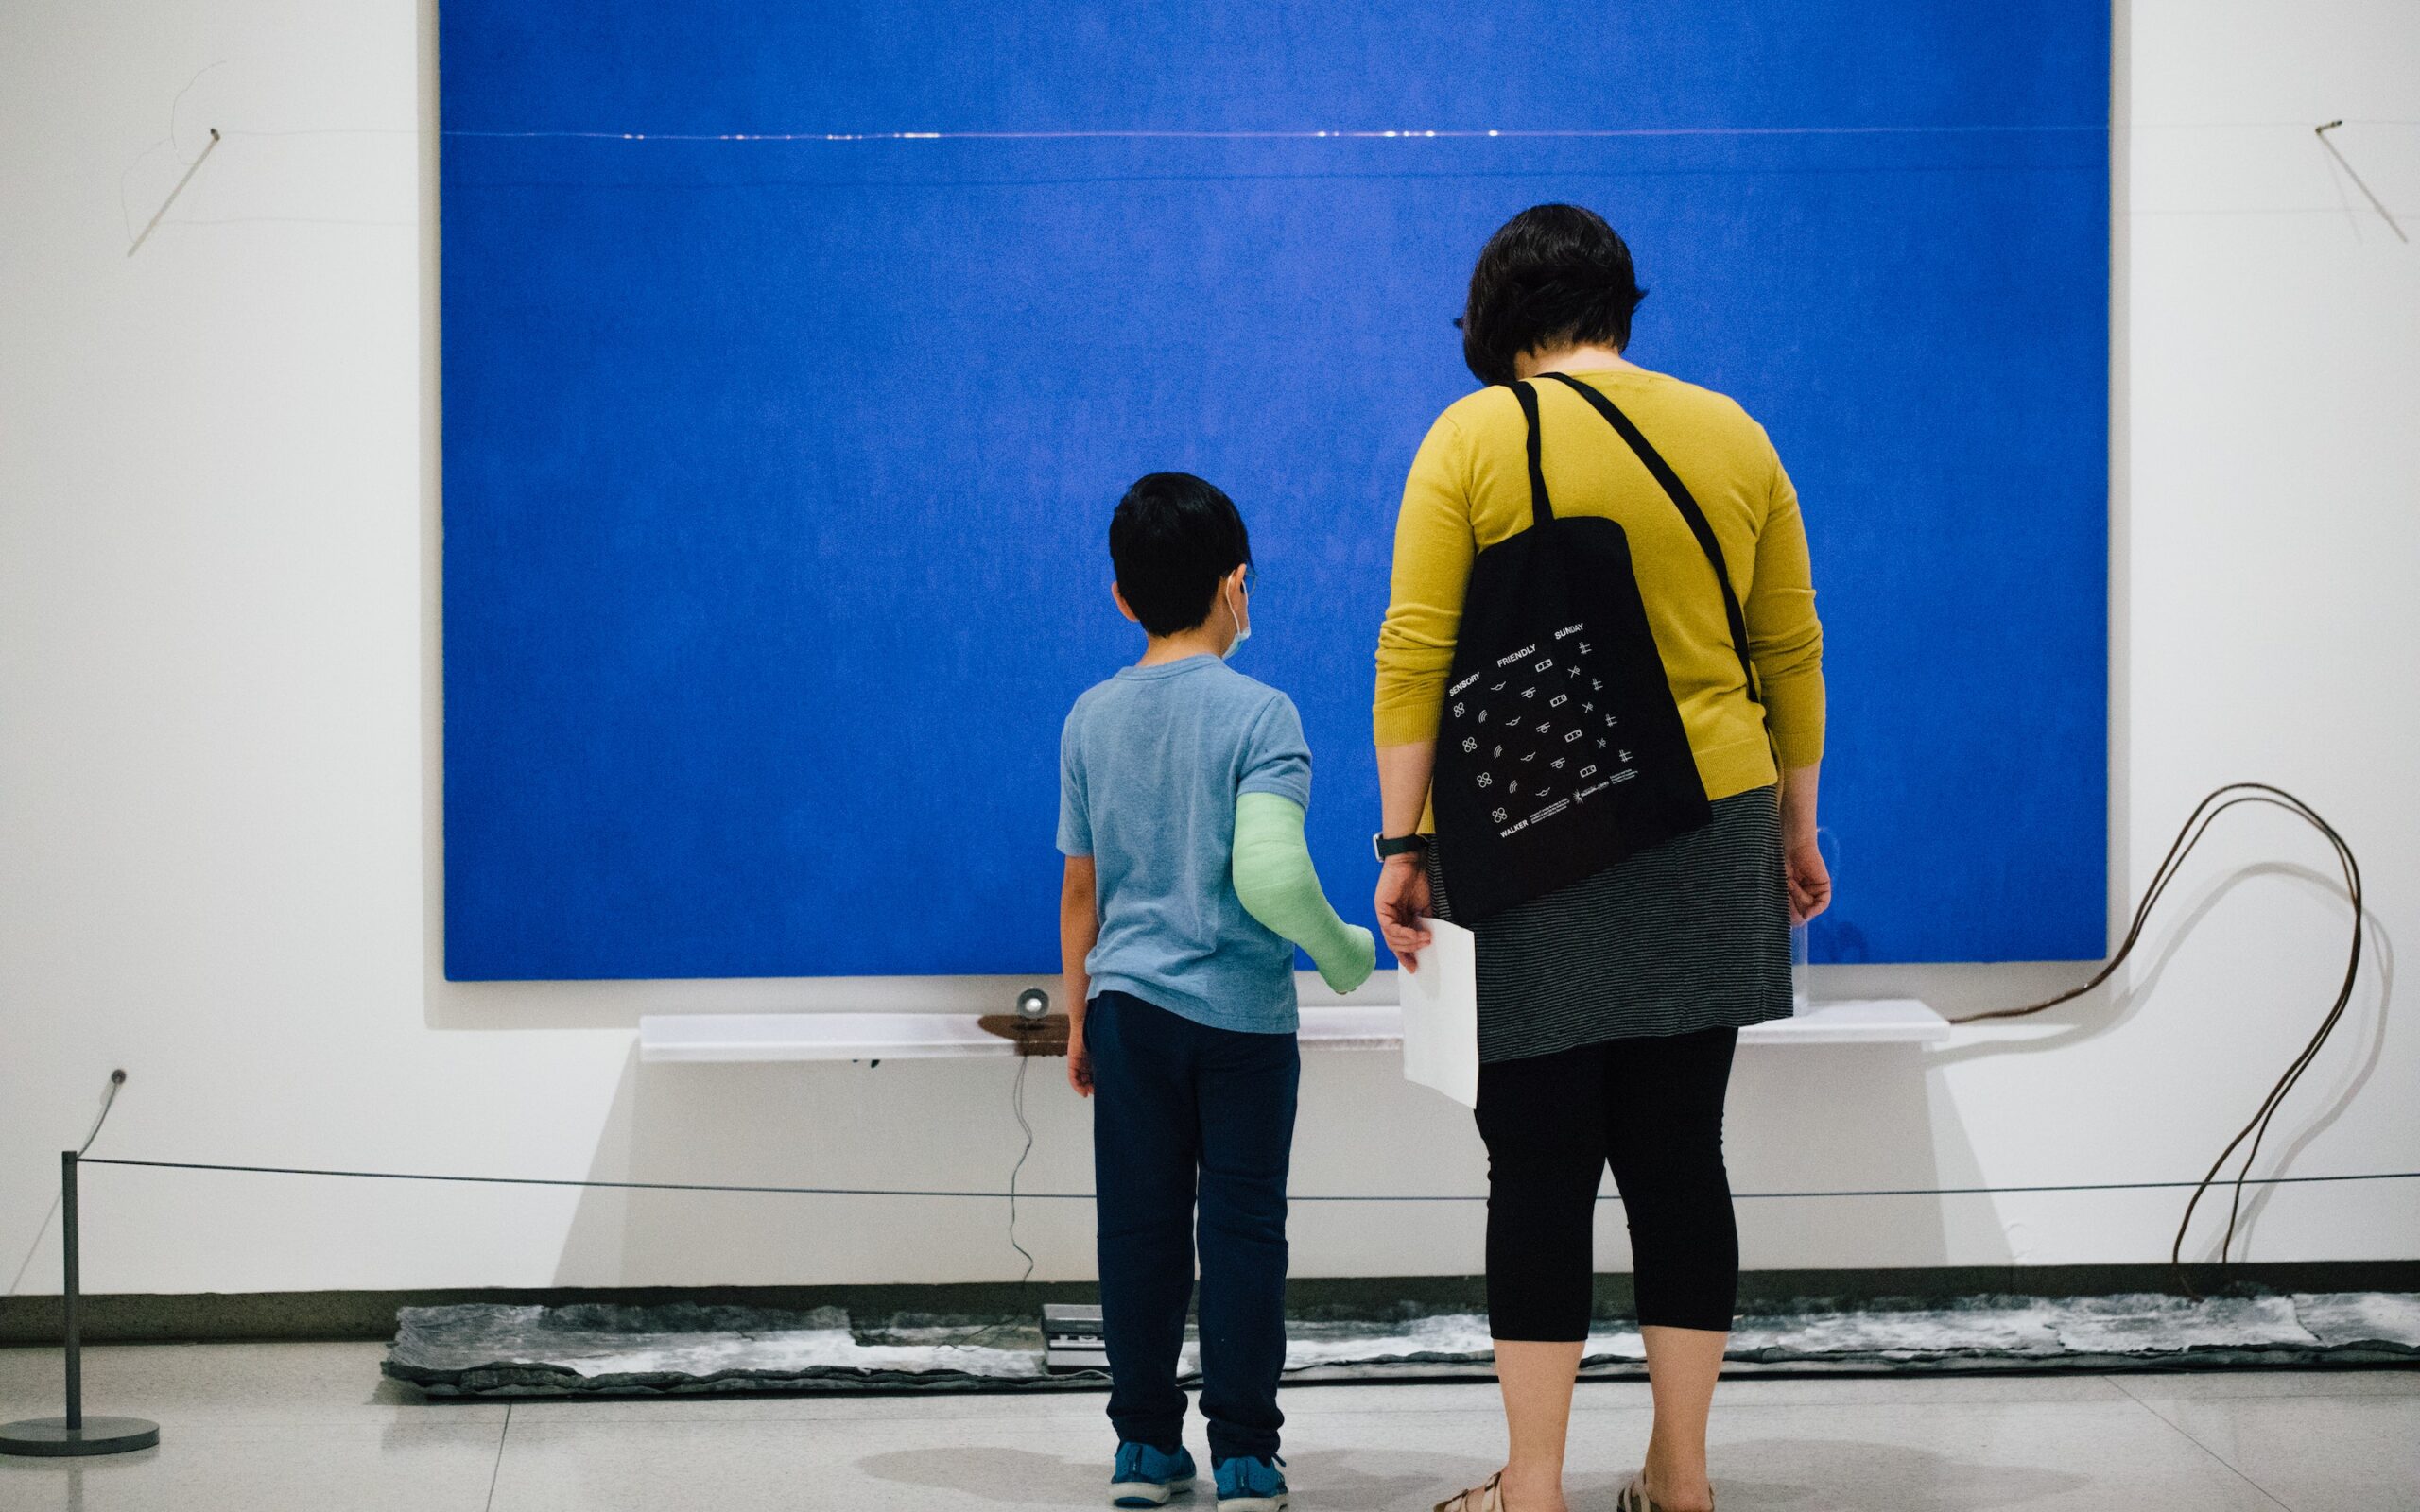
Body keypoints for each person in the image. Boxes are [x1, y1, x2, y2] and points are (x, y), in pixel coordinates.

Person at [1370, 205, 1832, 1512]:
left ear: (1496, 318)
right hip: (1713, 819)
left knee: (1541, 1164)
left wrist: (1404, 841)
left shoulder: (1471, 438)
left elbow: (1416, 650)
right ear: (1624, 303)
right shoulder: (1733, 433)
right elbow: (1788, 650)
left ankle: (1533, 1490)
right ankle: (1680, 1479)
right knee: (1682, 1150)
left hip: (1533, 827)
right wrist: (1795, 830)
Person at [1060, 472, 1376, 1511]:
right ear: (1236, 585)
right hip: (1240, 1019)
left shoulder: (1089, 718)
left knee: (1138, 1230)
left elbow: (1080, 888)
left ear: (1121, 597)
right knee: (1242, 1230)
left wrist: (1079, 1018)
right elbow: (1274, 878)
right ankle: (1245, 1453)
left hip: (1126, 1008)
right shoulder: (1263, 713)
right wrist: (1345, 955)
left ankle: (1144, 1448)